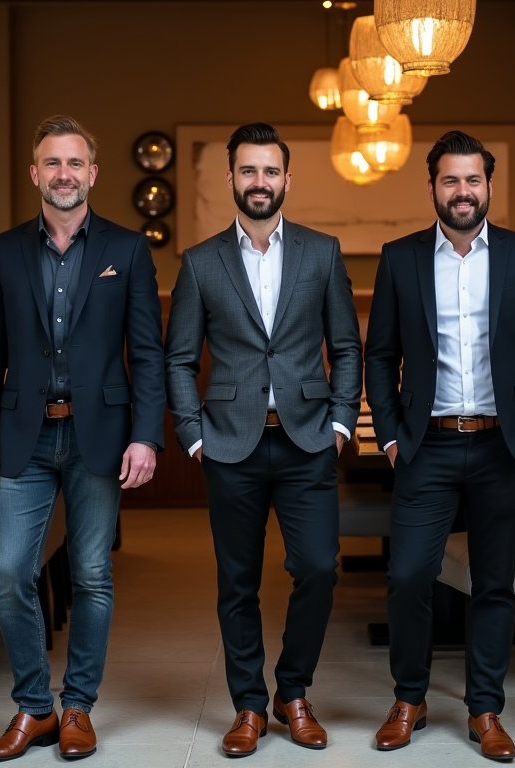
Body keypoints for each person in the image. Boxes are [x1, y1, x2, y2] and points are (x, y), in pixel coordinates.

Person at [0, 115, 165, 762]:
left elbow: (150, 355)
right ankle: (33, 709)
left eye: (75, 163)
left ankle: (77, 707)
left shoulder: (128, 250)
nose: (64, 174)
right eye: (52, 163)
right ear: (35, 174)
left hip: (99, 437)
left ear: (93, 174)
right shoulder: (4, 250)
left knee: (91, 575)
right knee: (9, 571)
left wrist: (147, 437)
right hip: (20, 435)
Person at [364, 131, 515, 761]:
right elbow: (380, 356)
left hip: (502, 448)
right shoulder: (399, 258)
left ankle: (485, 709)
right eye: (450, 180)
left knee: (495, 584)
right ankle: (409, 698)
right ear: (432, 188)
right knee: (408, 575)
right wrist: (394, 438)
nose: (462, 191)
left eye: (472, 180)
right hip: (428, 448)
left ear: (489, 187)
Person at [165, 123, 361, 757]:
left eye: (269, 171)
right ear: (231, 179)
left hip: (307, 441)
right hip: (229, 444)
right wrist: (194, 436)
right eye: (247, 172)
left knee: (318, 570)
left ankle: (293, 691)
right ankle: (248, 705)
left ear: (286, 178)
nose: (258, 182)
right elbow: (177, 359)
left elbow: (347, 346)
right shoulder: (199, 262)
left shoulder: (322, 252)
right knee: (237, 582)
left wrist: (337, 423)